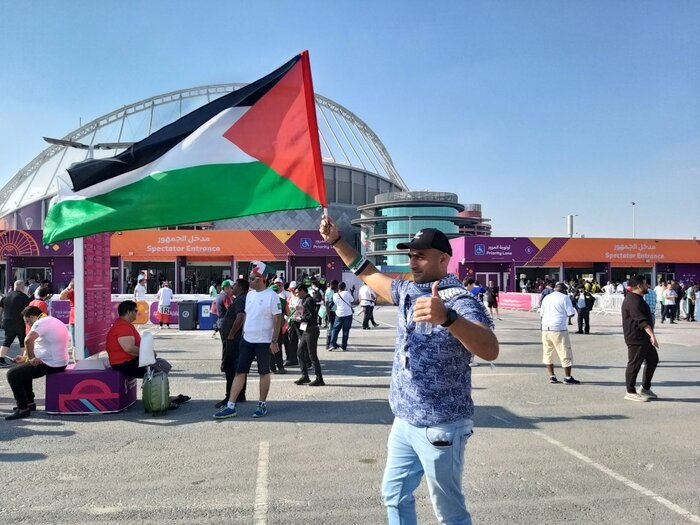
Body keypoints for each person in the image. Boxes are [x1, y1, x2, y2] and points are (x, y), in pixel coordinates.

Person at [320, 217, 498, 524]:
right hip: (404, 420)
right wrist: (336, 240)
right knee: (394, 495)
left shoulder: (460, 300)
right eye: (411, 255)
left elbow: (489, 348)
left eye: (421, 256)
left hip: (440, 426)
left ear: (443, 259)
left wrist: (449, 319)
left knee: (449, 513)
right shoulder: (406, 291)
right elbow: (368, 273)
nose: (413, 262)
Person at [213, 262, 282, 419]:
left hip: (264, 342)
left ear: (261, 279)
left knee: (263, 373)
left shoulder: (272, 296)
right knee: (239, 372)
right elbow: (247, 316)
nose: (249, 281)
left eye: (252, 278)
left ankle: (261, 404)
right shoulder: (250, 295)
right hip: (247, 340)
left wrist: (275, 340)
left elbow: (278, 318)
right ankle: (231, 406)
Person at [106, 301, 190, 406]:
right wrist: (148, 354)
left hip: (126, 361)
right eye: (135, 310)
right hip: (124, 364)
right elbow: (129, 348)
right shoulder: (122, 327)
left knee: (160, 364)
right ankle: (161, 400)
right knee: (158, 367)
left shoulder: (125, 325)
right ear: (128, 312)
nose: (137, 313)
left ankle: (163, 397)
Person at [4, 306, 69, 420]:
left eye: (27, 321)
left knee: (12, 374)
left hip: (52, 363)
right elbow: (42, 345)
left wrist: (32, 359)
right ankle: (29, 402)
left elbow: (28, 340)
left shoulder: (41, 322)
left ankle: (23, 408)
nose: (28, 325)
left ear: (33, 316)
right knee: (23, 369)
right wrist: (25, 359)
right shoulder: (50, 320)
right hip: (58, 361)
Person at [621, 275, 660, 402]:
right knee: (634, 364)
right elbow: (641, 320)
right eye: (645, 284)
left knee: (653, 360)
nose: (647, 286)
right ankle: (630, 391)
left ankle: (645, 388)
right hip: (636, 338)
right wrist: (652, 335)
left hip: (643, 338)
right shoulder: (633, 300)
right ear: (639, 286)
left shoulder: (638, 298)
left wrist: (649, 335)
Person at [215, 279, 249, 408]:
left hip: (235, 340)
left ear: (239, 287)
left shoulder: (240, 300)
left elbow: (240, 317)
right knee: (238, 367)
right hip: (237, 339)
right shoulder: (240, 298)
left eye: (234, 285)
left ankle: (231, 396)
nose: (232, 287)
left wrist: (231, 333)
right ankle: (240, 395)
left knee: (231, 368)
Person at [539, 283, 581, 384]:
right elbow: (571, 313)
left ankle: (552, 376)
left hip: (545, 328)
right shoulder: (564, 297)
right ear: (563, 290)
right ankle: (567, 377)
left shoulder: (547, 298)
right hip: (558, 328)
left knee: (548, 352)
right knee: (565, 352)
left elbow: (541, 313)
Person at [293, 284, 324, 386]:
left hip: (311, 330)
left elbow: (312, 316)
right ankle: (305, 376)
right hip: (305, 330)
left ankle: (319, 378)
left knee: (312, 355)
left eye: (297, 292)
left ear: (302, 291)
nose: (296, 294)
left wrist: (300, 318)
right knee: (300, 352)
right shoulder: (303, 301)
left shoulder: (309, 301)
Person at [0, 280, 31, 367]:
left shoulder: (6, 296)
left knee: (7, 341)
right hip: (20, 322)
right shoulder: (24, 297)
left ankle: (1, 360)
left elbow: (0, 309)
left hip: (7, 321)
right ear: (22, 287)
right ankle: (22, 360)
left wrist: (1, 320)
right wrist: (28, 322)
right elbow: (27, 311)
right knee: (23, 341)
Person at [329, 282, 354, 351]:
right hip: (348, 314)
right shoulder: (347, 293)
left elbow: (335, 304)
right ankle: (344, 346)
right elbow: (352, 300)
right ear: (344, 287)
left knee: (335, 329)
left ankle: (332, 344)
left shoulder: (335, 295)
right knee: (345, 330)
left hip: (339, 313)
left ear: (338, 287)